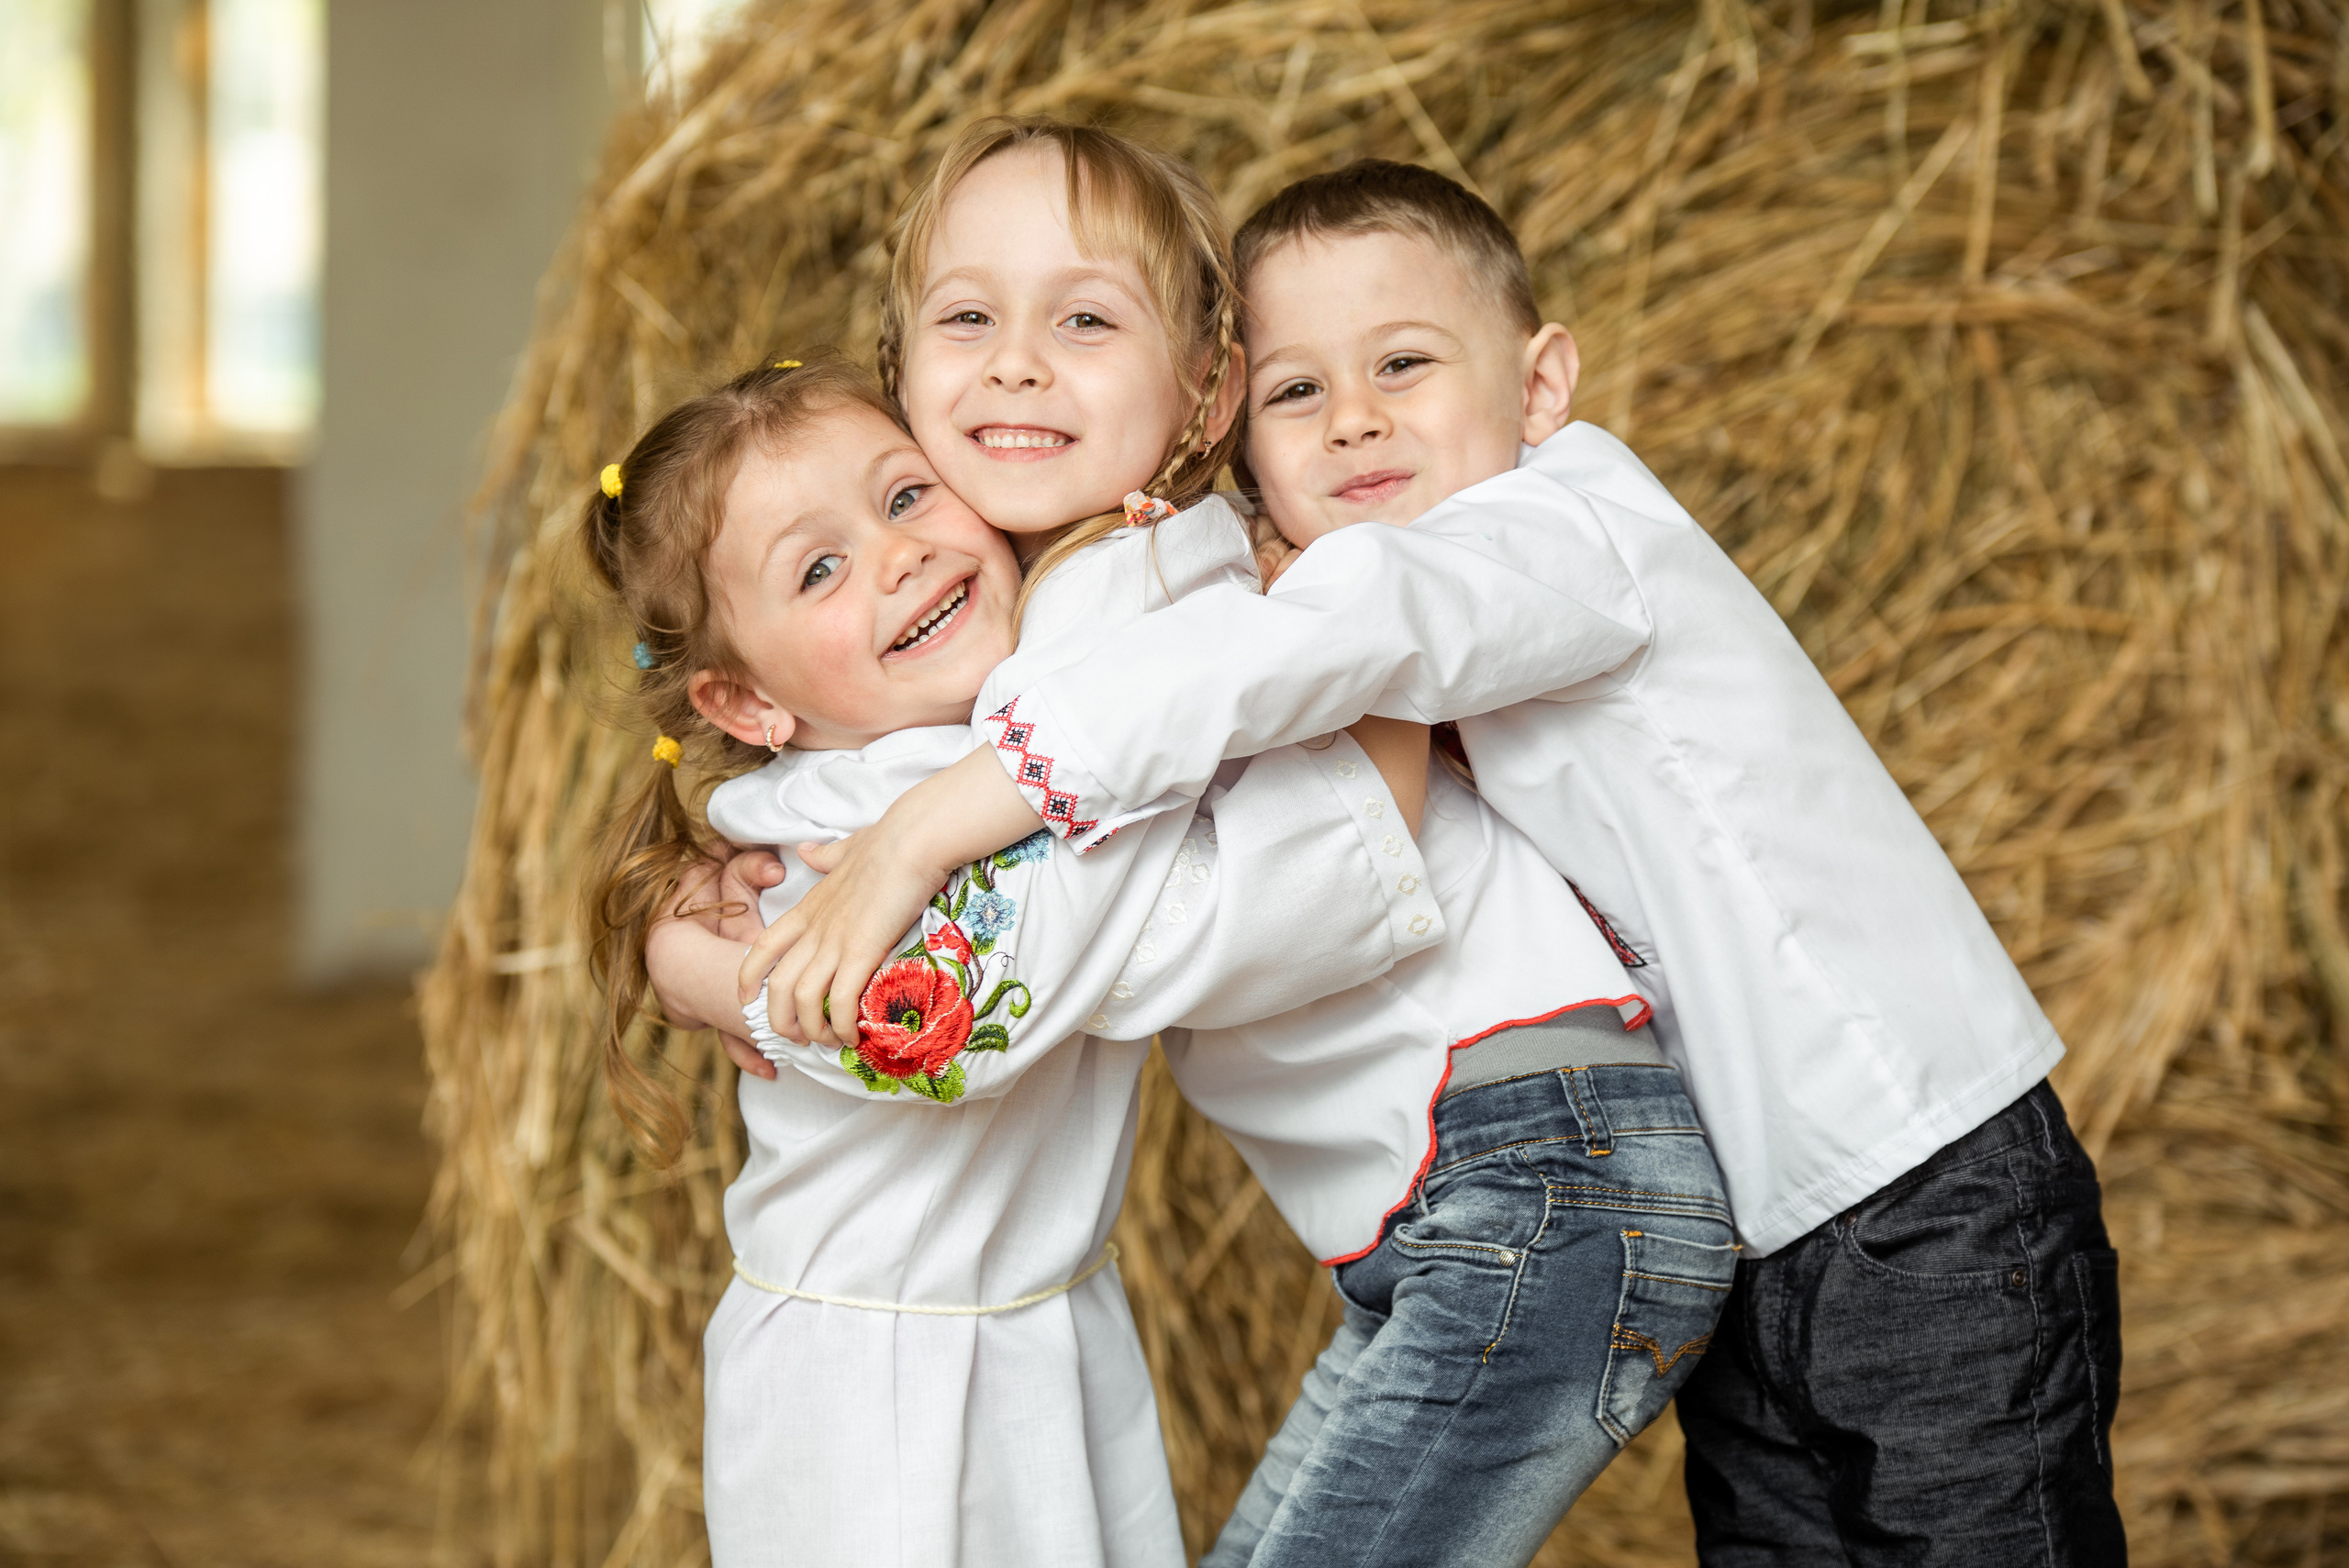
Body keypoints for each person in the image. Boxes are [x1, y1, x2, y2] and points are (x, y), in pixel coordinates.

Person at [764, 161, 2127, 1566]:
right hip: (1760, 1213)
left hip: (1923, 1181)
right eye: (1298, 392)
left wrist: (922, 834)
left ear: (1541, 387)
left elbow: (1325, 642)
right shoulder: (1315, 578)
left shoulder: (1556, 530)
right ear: (1236, 421)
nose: (1352, 417)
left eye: (1403, 364)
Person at [614, 122, 1680, 1567]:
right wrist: (697, 958)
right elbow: (939, 999)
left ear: (1204, 385)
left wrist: (1381, 741)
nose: (1016, 367)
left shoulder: (1129, 606)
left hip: (1119, 1303)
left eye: (905, 501)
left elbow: (1164, 916)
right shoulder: (949, 716)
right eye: (970, 321)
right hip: (885, 1389)